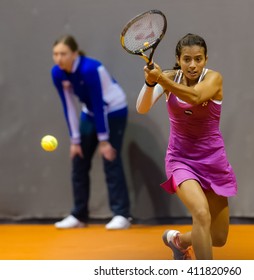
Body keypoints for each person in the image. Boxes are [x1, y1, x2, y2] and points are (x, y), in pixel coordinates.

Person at [136, 33, 238, 259]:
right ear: (178, 59)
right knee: (201, 214)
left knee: (218, 237)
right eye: (187, 59)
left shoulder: (214, 79)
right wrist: (150, 82)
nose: (193, 65)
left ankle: (178, 241)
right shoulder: (170, 78)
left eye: (198, 59)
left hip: (213, 161)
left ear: (206, 59)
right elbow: (142, 108)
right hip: (181, 160)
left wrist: (161, 79)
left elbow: (194, 97)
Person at [51, 35, 131, 230]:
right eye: (55, 54)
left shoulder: (89, 69)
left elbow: (99, 102)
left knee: (110, 158)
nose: (59, 58)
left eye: (63, 53)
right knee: (78, 159)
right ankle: (79, 215)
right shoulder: (58, 73)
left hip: (113, 110)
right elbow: (68, 106)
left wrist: (104, 141)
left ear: (74, 54)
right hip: (90, 112)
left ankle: (122, 215)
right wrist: (74, 140)